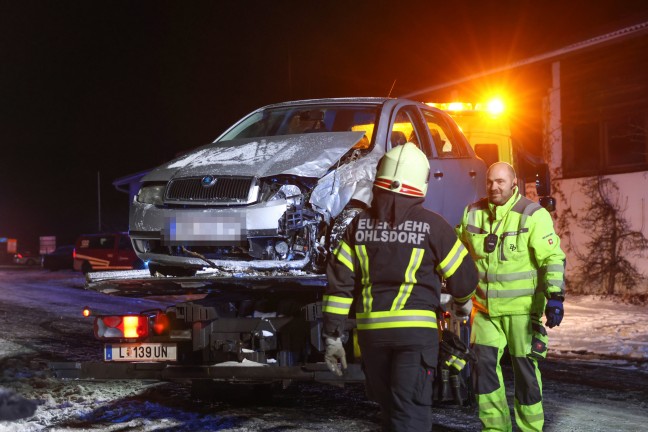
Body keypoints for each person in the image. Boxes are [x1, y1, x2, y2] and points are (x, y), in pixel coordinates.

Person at [322, 143, 478, 432]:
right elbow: (465, 278)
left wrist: (333, 336)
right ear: (421, 183)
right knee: (411, 412)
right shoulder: (434, 226)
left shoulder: (358, 226)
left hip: (372, 337)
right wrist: (462, 302)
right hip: (416, 336)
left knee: (389, 409)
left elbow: (339, 287)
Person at [456, 162, 566, 431]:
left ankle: (530, 428)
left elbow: (552, 257)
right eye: (491, 182)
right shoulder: (472, 213)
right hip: (484, 310)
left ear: (514, 184)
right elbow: (457, 253)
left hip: (521, 310)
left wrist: (555, 296)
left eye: (501, 182)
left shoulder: (533, 215)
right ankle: (495, 428)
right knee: (483, 370)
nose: (494, 187)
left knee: (525, 373)